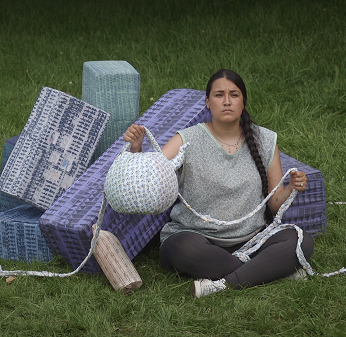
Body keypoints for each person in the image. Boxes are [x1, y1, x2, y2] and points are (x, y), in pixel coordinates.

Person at [123, 69, 315, 298]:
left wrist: (292, 187)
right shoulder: (187, 138)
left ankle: (221, 284)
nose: (226, 101)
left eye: (234, 95)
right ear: (207, 102)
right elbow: (151, 177)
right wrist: (136, 148)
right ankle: (269, 271)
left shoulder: (265, 139)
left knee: (301, 241)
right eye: (218, 95)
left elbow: (274, 204)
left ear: (243, 102)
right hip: (195, 237)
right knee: (182, 250)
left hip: (251, 239)